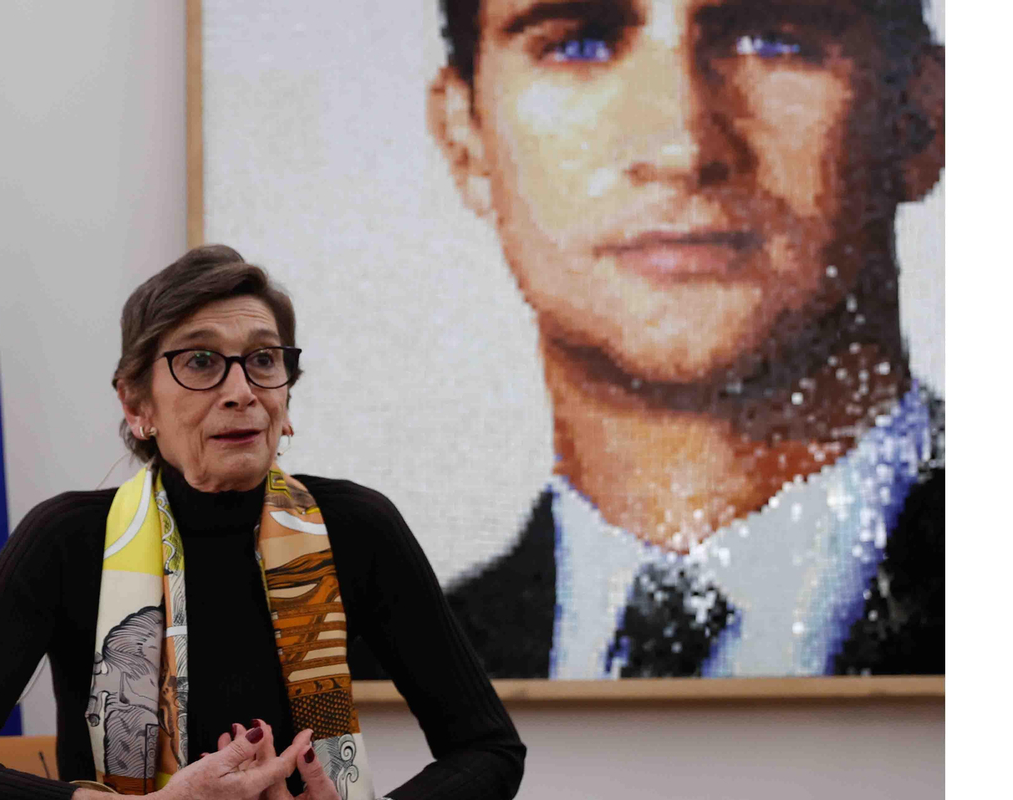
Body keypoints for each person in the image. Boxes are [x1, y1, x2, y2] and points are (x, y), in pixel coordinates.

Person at [0, 246, 525, 800]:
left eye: (264, 360)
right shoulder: (67, 540)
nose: (242, 392)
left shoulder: (356, 528)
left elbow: (490, 749)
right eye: (200, 363)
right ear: (137, 404)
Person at [401, 0, 945, 680]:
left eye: (774, 39)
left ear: (918, 118)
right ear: (466, 141)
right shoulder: (367, 691)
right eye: (580, 43)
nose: (681, 148)